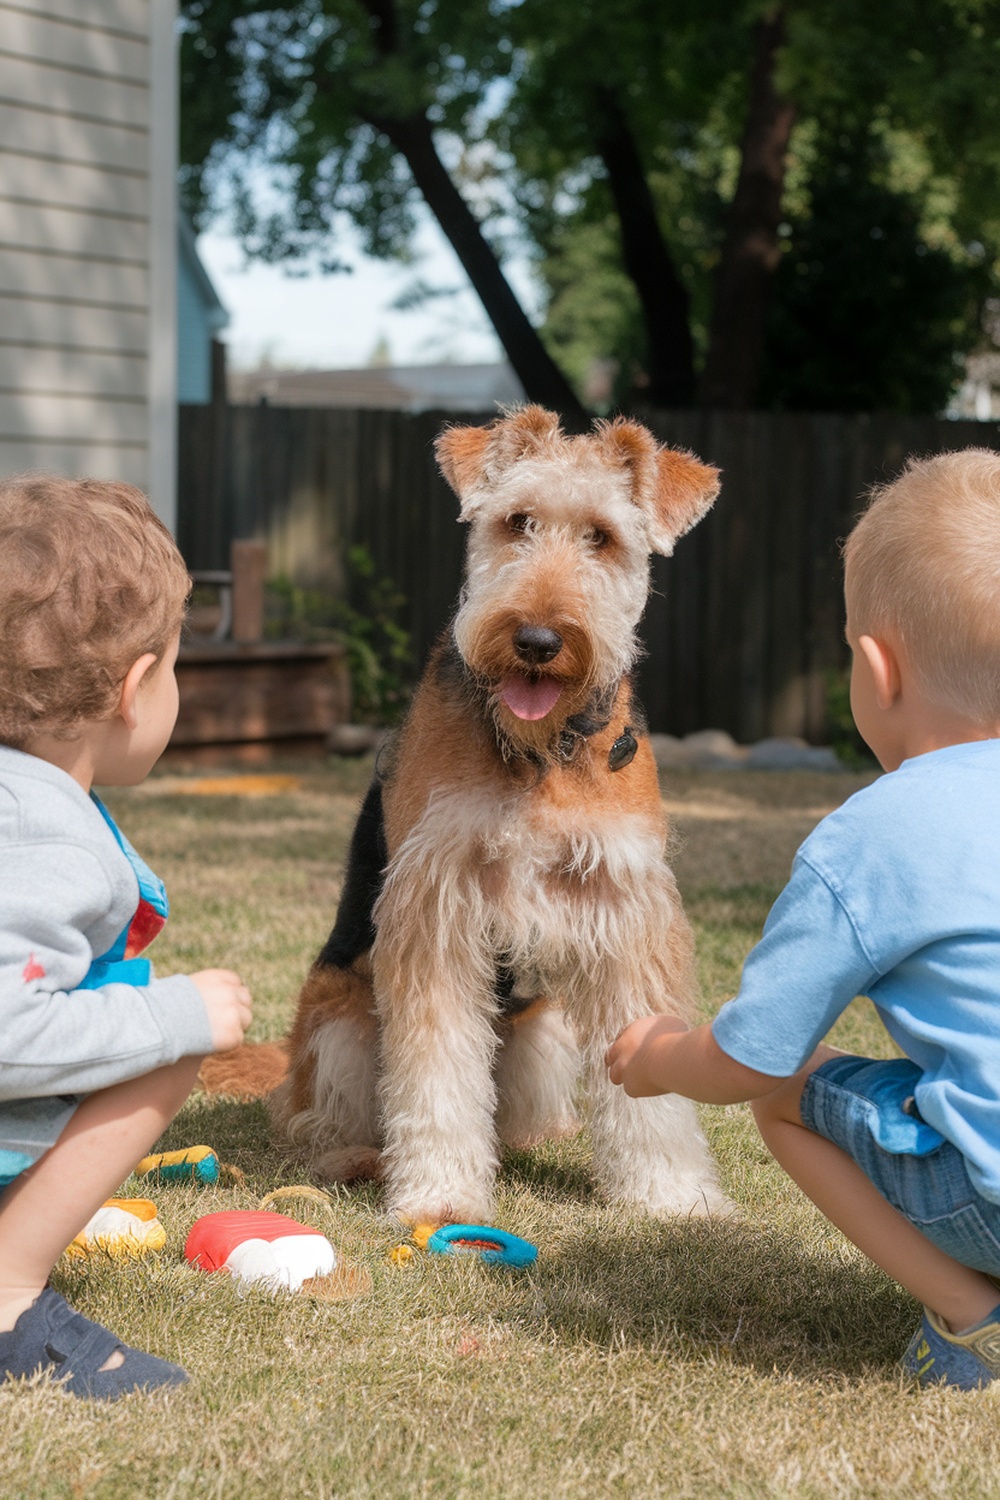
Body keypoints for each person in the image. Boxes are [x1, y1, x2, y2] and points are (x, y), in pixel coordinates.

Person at [607, 448, 1000, 1390]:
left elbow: (757, 1054)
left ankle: (972, 1321)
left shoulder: (873, 835)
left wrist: (658, 1054)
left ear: (876, 668)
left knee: (786, 1096)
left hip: (989, 1200)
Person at [0, 475, 252, 1399]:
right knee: (169, 1035)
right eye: (175, 664)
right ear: (136, 689)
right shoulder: (38, 831)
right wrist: (170, 1015)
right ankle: (6, 1300)